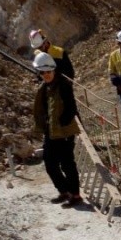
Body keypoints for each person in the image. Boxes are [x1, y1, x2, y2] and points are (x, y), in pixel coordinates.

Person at [32, 52, 83, 208]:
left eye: (48, 72)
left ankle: (75, 195)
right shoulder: (44, 88)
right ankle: (64, 191)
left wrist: (61, 123)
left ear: (53, 71)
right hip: (51, 132)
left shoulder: (63, 86)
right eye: (43, 72)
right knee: (49, 163)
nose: (46, 75)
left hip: (64, 132)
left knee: (67, 164)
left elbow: (71, 108)